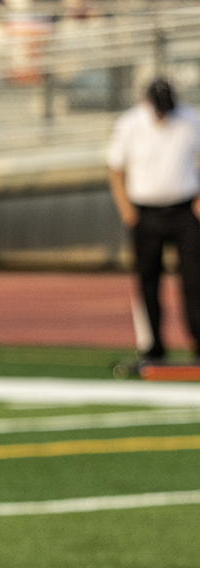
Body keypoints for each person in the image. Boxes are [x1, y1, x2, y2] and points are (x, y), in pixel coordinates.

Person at [107, 77, 200, 362]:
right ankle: (152, 345)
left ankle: (198, 342)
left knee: (195, 279)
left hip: (185, 211)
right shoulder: (130, 124)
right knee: (148, 279)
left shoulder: (190, 120)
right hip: (145, 212)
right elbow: (115, 168)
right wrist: (126, 210)